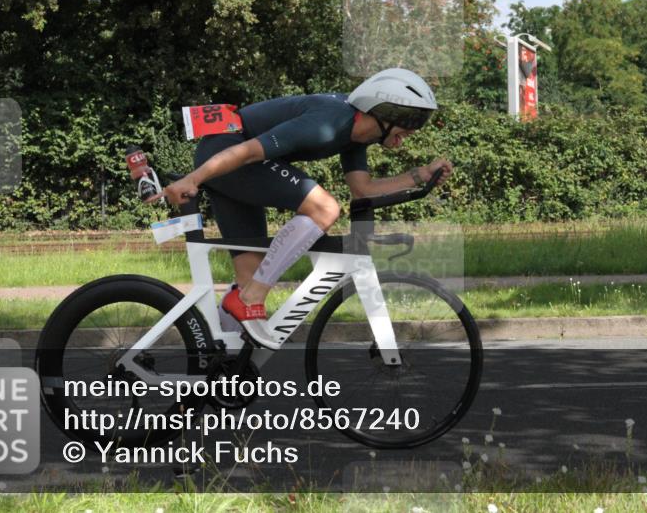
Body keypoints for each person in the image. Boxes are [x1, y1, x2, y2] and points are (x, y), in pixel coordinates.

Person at [156, 68, 453, 348]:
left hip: (232, 161)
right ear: (385, 113)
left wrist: (420, 175)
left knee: (248, 285)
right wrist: (192, 180)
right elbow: (248, 152)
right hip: (228, 153)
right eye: (404, 129)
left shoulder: (358, 135)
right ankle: (251, 296)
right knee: (324, 208)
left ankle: (217, 375)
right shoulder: (327, 123)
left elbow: (363, 189)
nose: (404, 141)